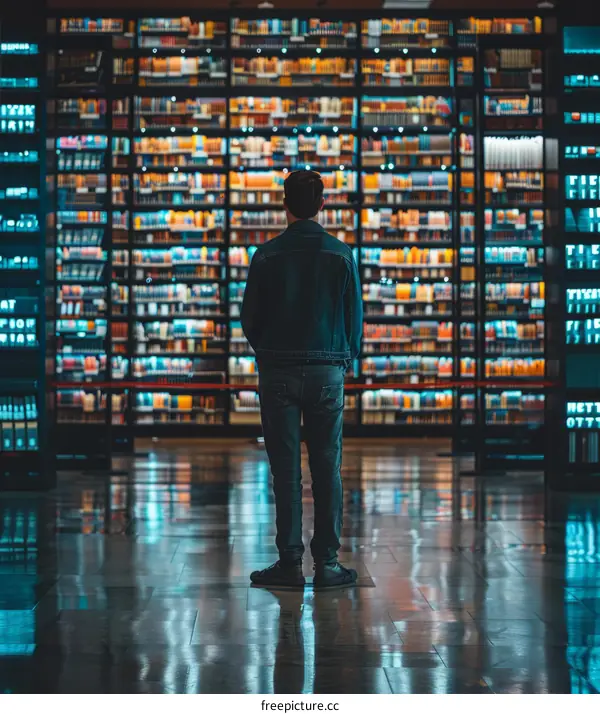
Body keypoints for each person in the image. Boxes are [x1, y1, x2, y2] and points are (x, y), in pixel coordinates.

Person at [241, 170, 363, 589]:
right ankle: (327, 563)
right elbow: (354, 319)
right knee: (327, 465)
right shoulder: (341, 254)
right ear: (323, 204)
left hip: (277, 370)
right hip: (328, 369)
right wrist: (346, 359)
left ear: (285, 205)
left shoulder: (267, 255)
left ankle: (289, 561)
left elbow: (249, 319)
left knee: (285, 468)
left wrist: (269, 352)